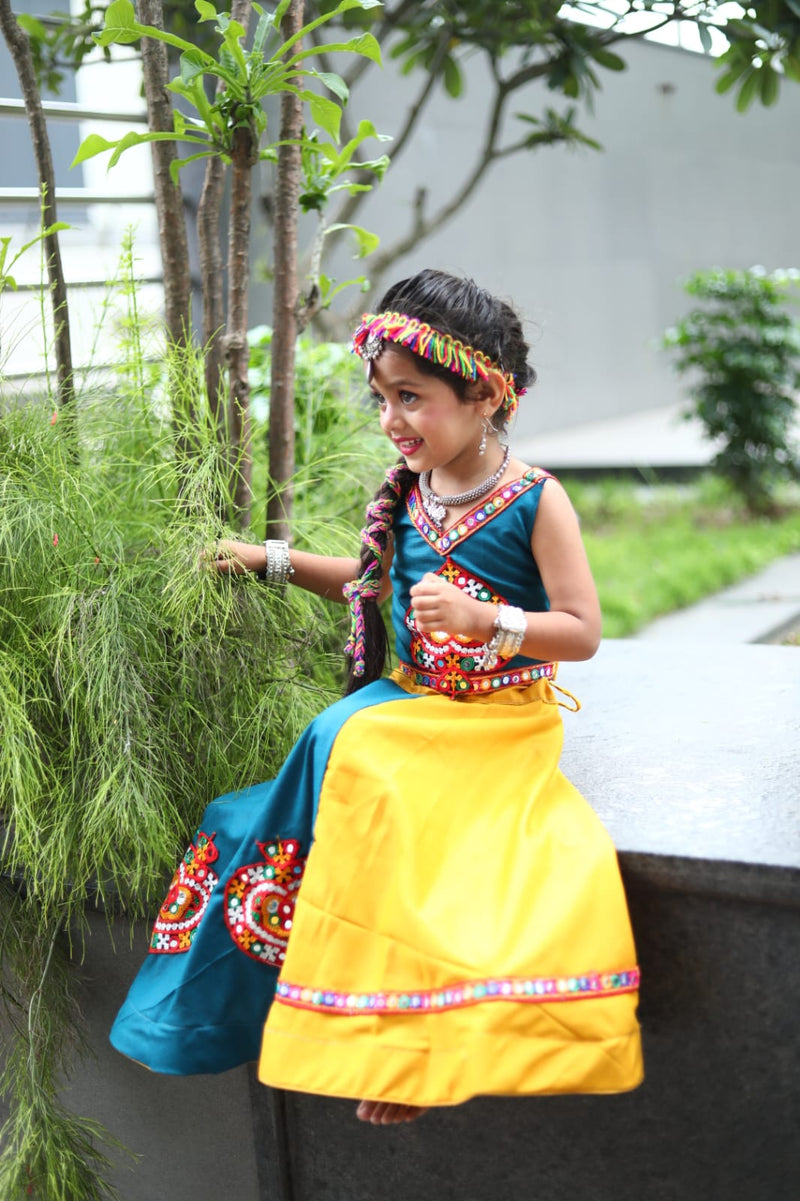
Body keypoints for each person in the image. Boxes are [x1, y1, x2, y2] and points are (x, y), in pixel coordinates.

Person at [110, 269, 643, 1126]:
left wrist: (484, 618)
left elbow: (580, 630)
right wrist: (269, 559)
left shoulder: (535, 499)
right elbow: (367, 585)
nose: (392, 419)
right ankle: (256, 1002)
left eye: (411, 397)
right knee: (324, 761)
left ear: (485, 394)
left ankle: (404, 1048)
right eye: (381, 399)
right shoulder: (408, 496)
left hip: (494, 722)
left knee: (356, 752)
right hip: (411, 702)